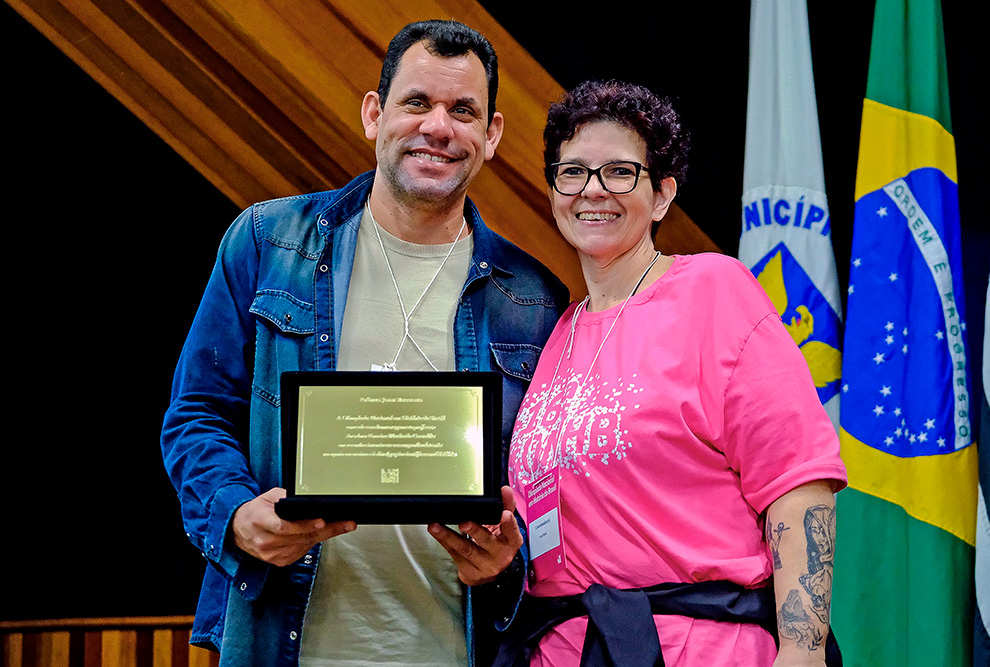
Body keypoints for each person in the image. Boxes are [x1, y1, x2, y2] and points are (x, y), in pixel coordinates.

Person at [161, 20, 567, 667]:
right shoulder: (267, 242)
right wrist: (236, 515)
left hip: (460, 649)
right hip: (279, 644)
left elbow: (548, 487)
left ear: (490, 136)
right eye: (417, 102)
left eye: (462, 110)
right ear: (374, 115)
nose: (438, 126)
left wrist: (504, 566)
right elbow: (195, 415)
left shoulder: (535, 301)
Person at [499, 80, 848, 666]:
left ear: (662, 195)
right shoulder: (557, 333)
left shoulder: (713, 291)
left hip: (700, 646)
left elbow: (797, 478)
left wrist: (803, 649)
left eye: (619, 172)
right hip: (563, 647)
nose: (593, 190)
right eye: (574, 171)